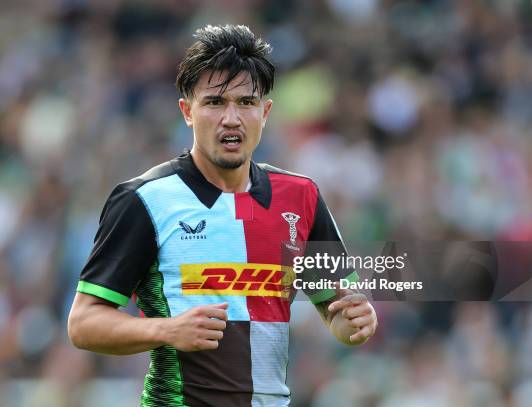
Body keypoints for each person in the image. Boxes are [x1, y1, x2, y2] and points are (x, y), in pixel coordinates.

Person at [67, 24, 377, 407]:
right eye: (215, 102)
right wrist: (167, 330)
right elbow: (83, 324)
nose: (232, 118)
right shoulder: (144, 200)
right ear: (187, 111)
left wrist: (356, 323)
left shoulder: (302, 197)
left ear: (265, 112)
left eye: (246, 103)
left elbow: (338, 313)